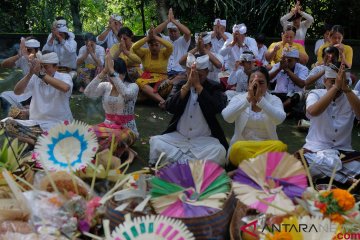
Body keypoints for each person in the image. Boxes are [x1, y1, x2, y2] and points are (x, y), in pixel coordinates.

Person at [149, 54, 228, 166]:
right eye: (191, 72)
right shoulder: (180, 85)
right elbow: (170, 107)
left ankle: (179, 163)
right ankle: (191, 164)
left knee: (219, 151)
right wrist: (187, 86)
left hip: (204, 140)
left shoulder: (214, 87)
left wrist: (198, 87)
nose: (194, 75)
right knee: (156, 141)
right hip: (178, 137)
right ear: (186, 70)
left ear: (206, 72)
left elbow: (216, 108)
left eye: (199, 74)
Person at [301, 64, 360, 186]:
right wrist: (336, 87)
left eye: (340, 82)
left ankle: (329, 178)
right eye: (332, 82)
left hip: (344, 152)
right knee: (303, 162)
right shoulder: (316, 93)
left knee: (324, 165)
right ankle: (347, 181)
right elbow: (313, 112)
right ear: (324, 81)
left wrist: (346, 89)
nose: (336, 86)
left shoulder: (352, 94)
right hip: (315, 151)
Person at [222, 67, 287, 166]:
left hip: (266, 146)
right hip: (243, 146)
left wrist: (261, 100)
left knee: (280, 146)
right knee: (236, 148)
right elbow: (227, 117)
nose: (257, 86)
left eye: (261, 83)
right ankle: (262, 169)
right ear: (249, 85)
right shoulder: (239, 98)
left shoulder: (274, 100)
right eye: (253, 82)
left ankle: (249, 170)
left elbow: (280, 119)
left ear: (267, 85)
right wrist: (248, 99)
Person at [84, 54, 138, 160]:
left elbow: (126, 94)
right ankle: (119, 152)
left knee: (116, 138)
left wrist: (112, 72)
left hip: (127, 130)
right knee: (85, 132)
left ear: (124, 72)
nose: (111, 77)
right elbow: (88, 92)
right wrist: (104, 71)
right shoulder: (105, 86)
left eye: (115, 73)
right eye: (109, 74)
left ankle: (101, 153)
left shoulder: (133, 86)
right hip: (107, 127)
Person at [9, 52, 73, 134]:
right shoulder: (35, 77)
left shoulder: (64, 77)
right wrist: (30, 74)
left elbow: (65, 88)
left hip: (59, 123)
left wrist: (41, 74)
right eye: (41, 66)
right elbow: (17, 91)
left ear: (56, 67)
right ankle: (34, 140)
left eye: (46, 67)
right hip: (36, 123)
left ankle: (35, 140)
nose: (42, 69)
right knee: (6, 123)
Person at [131, 28, 173, 108]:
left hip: (161, 78)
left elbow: (170, 47)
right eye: (151, 45)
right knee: (139, 81)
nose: (154, 47)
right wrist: (148, 37)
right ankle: (162, 101)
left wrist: (155, 37)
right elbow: (134, 47)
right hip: (146, 78)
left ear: (160, 44)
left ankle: (150, 98)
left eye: (156, 45)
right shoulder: (145, 52)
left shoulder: (164, 52)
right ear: (148, 45)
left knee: (169, 85)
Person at [0, 37, 41, 113]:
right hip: (24, 93)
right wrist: (19, 55)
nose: (26, 52)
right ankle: (13, 114)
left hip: (38, 95)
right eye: (25, 49)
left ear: (37, 50)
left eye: (29, 50)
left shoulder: (42, 59)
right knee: (4, 95)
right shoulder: (23, 58)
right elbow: (3, 64)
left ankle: (23, 111)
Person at [269, 48, 308, 115]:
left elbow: (301, 84)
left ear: (297, 60)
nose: (286, 62)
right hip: (279, 95)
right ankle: (285, 111)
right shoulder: (278, 66)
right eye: (284, 59)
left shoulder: (303, 69)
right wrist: (279, 69)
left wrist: (286, 69)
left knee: (296, 96)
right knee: (268, 96)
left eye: (289, 60)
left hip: (294, 98)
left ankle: (278, 109)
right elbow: (267, 79)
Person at [154, 8, 191, 77]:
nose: (173, 33)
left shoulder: (183, 40)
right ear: (168, 31)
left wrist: (173, 21)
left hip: (180, 72)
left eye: (175, 31)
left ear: (179, 31)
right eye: (171, 31)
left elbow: (188, 33)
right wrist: (168, 21)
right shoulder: (165, 39)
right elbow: (154, 33)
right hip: (166, 72)